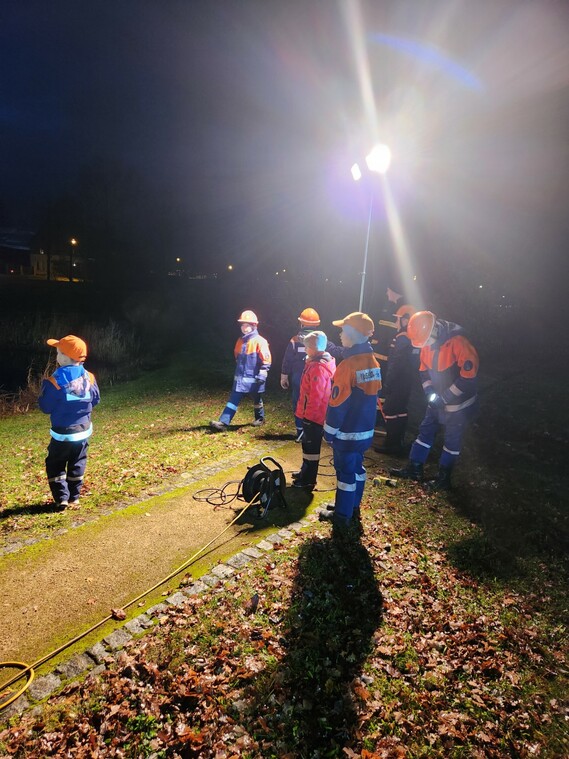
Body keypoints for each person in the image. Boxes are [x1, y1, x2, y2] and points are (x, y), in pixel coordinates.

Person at [390, 311, 479, 491]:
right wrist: (430, 391)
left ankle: (444, 478)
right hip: (437, 400)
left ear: (434, 331)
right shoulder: (426, 342)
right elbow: (424, 371)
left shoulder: (459, 342)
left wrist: (446, 397)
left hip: (459, 405)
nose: (426, 346)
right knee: (425, 431)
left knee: (452, 440)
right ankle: (414, 468)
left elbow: (468, 376)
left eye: (427, 342)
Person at [320, 312, 382, 527]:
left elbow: (338, 404)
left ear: (353, 334)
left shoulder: (347, 366)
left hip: (347, 434)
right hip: (365, 431)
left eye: (343, 331)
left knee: (345, 474)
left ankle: (342, 516)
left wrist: (329, 432)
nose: (340, 334)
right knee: (357, 469)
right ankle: (352, 506)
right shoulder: (373, 361)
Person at [38, 334, 100, 511]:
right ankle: (74, 497)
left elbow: (45, 407)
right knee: (78, 461)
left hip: (62, 434)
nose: (56, 356)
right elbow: (95, 400)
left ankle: (62, 498)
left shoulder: (53, 381)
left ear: (64, 357)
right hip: (83, 432)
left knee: (55, 464)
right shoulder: (90, 378)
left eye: (58, 352)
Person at [210, 310, 272, 431]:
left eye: (247, 325)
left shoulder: (260, 341)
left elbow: (266, 359)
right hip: (241, 378)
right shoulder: (240, 341)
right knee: (233, 399)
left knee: (257, 398)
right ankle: (224, 422)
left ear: (254, 326)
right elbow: (237, 357)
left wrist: (263, 374)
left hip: (255, 379)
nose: (244, 328)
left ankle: (260, 418)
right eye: (243, 325)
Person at [292, 331, 336, 490]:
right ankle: (305, 472)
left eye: (306, 347)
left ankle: (308, 480)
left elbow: (316, 397)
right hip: (312, 415)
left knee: (311, 449)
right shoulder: (315, 363)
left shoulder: (318, 368)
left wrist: (307, 417)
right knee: (307, 447)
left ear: (314, 349)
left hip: (313, 417)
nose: (304, 349)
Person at [376, 303, 420, 455]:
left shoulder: (401, 339)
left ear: (406, 321)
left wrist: (387, 384)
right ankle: (397, 443)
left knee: (390, 411)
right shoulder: (413, 338)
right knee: (401, 412)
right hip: (406, 383)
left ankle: (391, 444)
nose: (395, 323)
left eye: (398, 319)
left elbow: (395, 363)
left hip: (397, 382)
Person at [280, 307, 322, 441]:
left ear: (301, 323)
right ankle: (313, 431)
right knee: (315, 403)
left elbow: (288, 359)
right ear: (316, 325)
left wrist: (284, 375)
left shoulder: (295, 340)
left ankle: (300, 431)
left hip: (298, 378)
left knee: (298, 403)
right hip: (316, 378)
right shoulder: (321, 340)